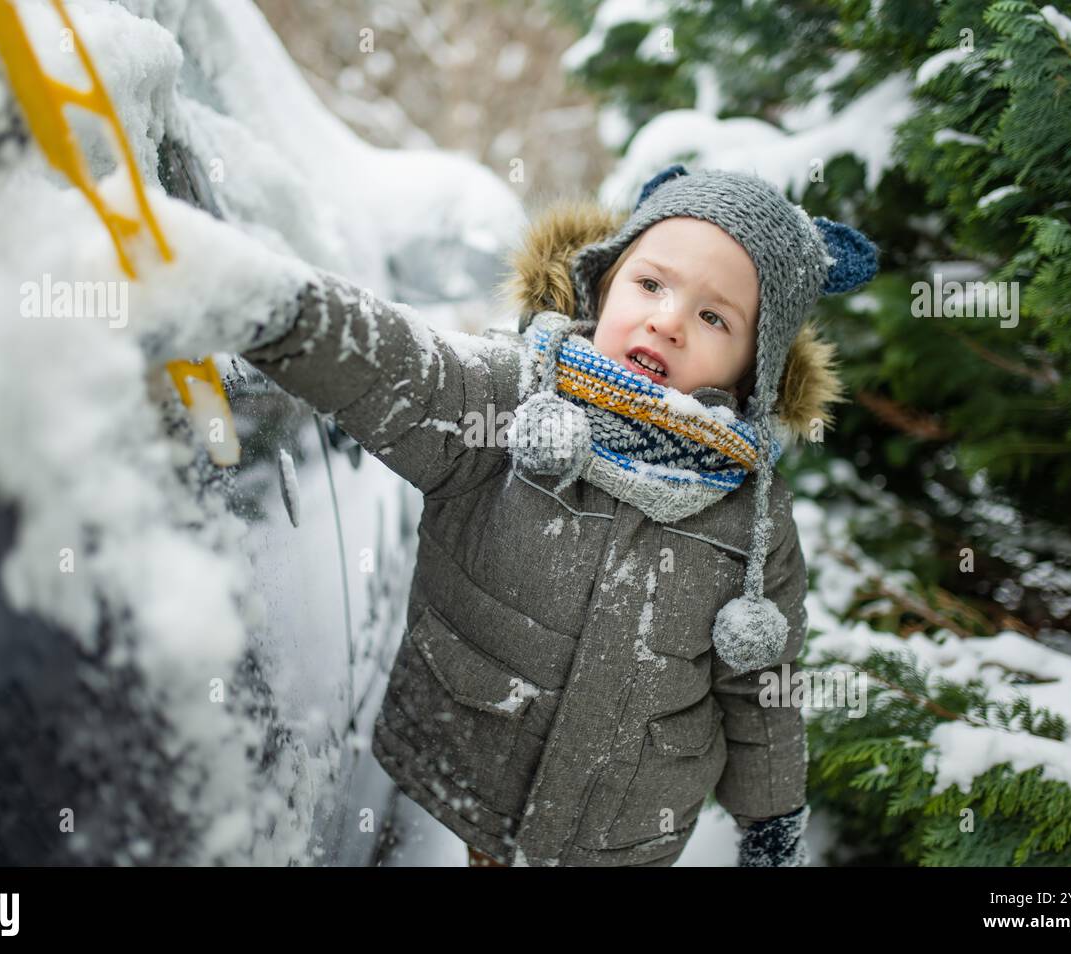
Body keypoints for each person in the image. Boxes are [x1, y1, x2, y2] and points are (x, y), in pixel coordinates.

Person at [236, 164, 877, 866]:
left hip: (628, 829)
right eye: (651, 284)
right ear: (604, 285)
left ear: (753, 369)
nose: (667, 322)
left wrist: (772, 819)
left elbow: (759, 688)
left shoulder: (752, 521)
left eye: (714, 317)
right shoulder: (509, 400)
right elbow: (397, 369)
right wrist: (270, 304)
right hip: (482, 769)